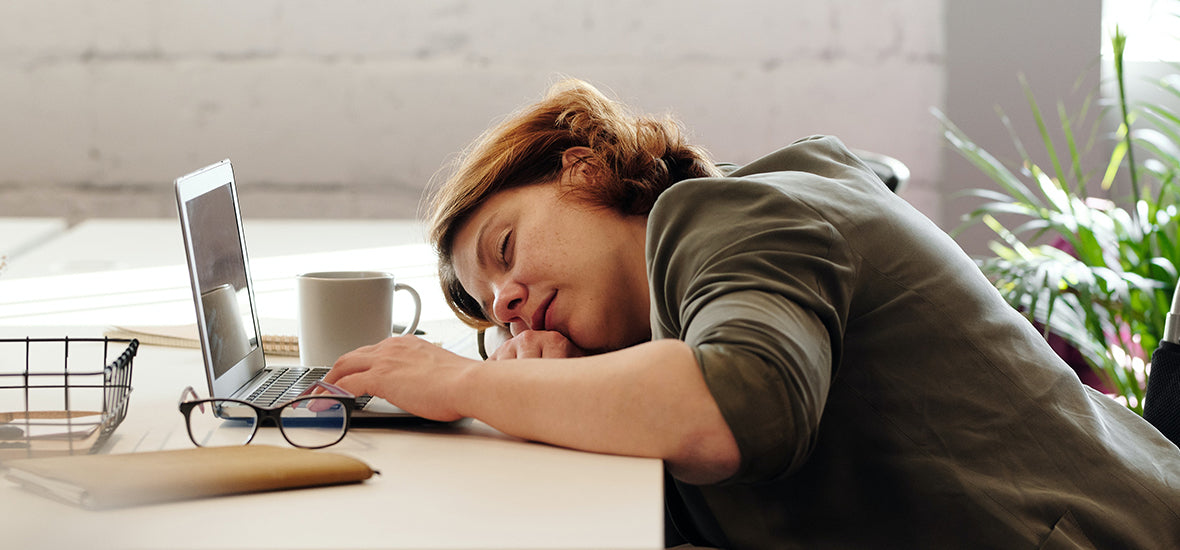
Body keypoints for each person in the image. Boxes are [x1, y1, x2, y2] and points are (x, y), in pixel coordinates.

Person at [323, 79, 1180, 548]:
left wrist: (466, 383)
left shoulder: (722, 216)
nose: (506, 304)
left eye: (505, 251)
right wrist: (554, 395)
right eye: (493, 317)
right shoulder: (688, 294)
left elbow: (740, 406)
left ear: (584, 171)